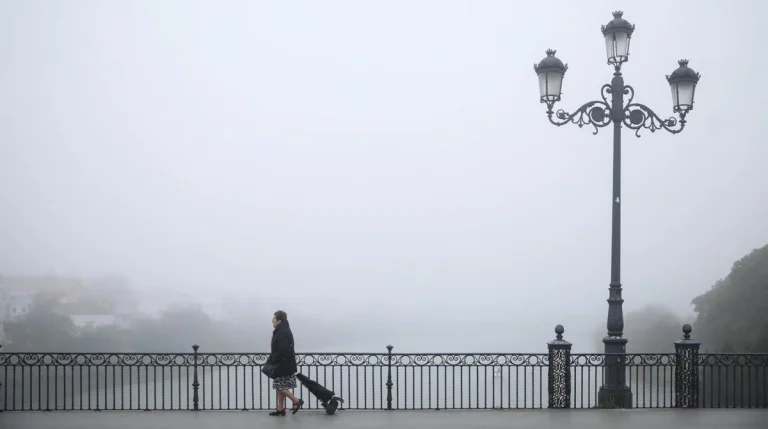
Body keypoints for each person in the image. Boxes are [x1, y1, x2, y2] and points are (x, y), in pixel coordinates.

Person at [268, 310, 303, 416]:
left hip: (283, 364)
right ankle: (280, 409)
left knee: (280, 387)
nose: (272, 321)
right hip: (286, 363)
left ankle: (296, 401)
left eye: (274, 319)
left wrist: (274, 359)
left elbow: (282, 350)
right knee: (281, 387)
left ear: (279, 321)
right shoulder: (284, 330)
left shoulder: (282, 332)